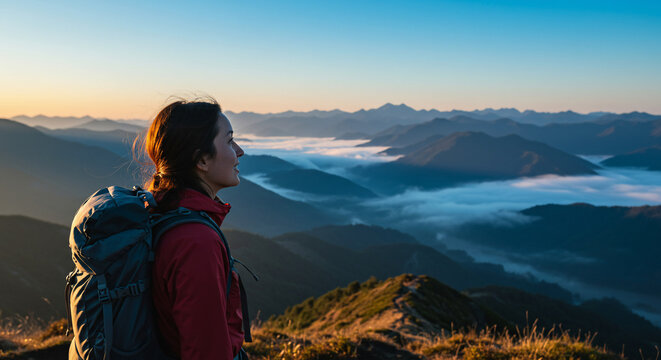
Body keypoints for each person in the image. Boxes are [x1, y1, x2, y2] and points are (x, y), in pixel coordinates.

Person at [141, 98, 245, 359]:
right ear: (201, 160)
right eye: (230, 141)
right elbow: (206, 351)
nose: (240, 151)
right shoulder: (196, 242)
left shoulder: (157, 211)